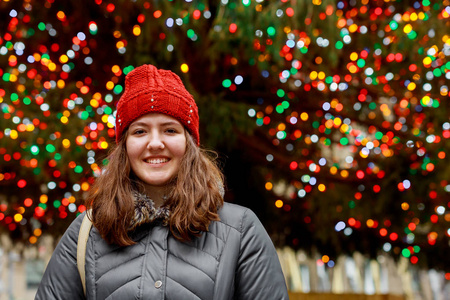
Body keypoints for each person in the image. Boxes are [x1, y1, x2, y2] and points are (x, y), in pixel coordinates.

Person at [35, 64, 289, 299]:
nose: (155, 143)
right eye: (140, 131)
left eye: (170, 130)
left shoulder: (241, 231)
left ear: (189, 144)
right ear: (124, 146)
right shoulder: (86, 233)